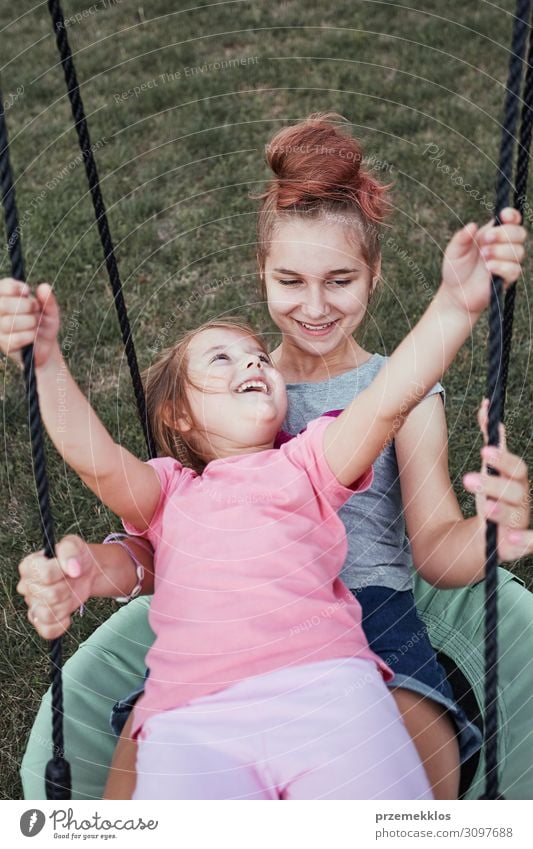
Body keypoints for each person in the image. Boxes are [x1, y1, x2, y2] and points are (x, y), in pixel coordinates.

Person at [5, 113, 531, 799]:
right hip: (218, 635)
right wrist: (46, 365)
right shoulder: (219, 411)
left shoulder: (362, 412)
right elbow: (135, 493)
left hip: (368, 619)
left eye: (338, 280)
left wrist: (493, 528)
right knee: (141, 785)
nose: (313, 305)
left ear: (373, 276)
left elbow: (433, 547)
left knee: (400, 788)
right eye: (290, 281)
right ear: (262, 272)